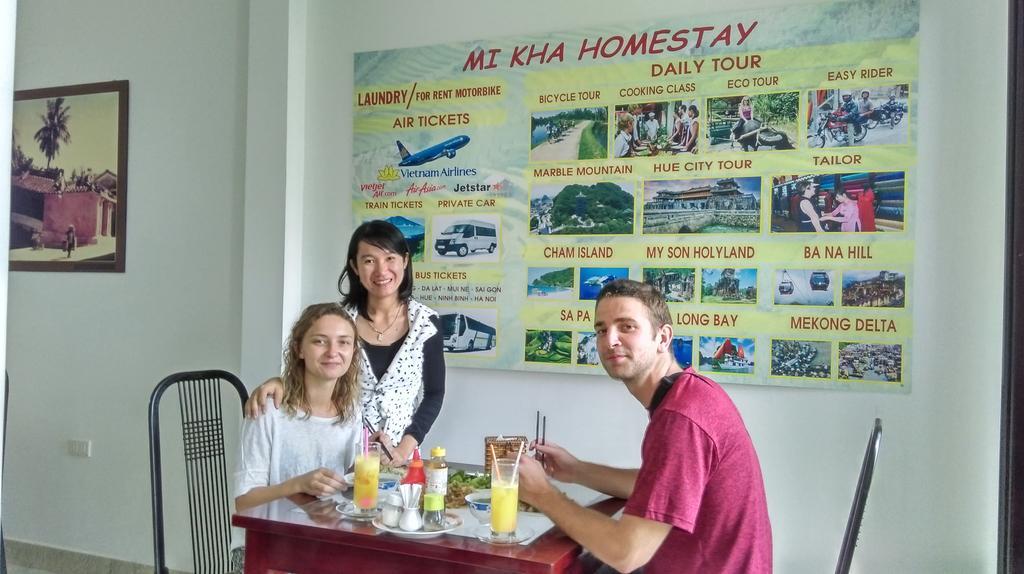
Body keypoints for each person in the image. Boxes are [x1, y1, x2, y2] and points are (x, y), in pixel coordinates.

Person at [517, 280, 772, 573]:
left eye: (626, 327)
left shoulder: (682, 418)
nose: (610, 340)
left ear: (663, 338)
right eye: (602, 329)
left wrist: (543, 494)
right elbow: (659, 486)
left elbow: (627, 553)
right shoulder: (689, 393)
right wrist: (575, 470)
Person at [246, 220, 446, 464]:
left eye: (390, 258)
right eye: (369, 260)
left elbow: (434, 393)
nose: (381, 271)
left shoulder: (426, 323)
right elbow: (313, 373)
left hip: (401, 459)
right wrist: (279, 381)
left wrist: (405, 447)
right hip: (339, 451)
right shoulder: (339, 322)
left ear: (405, 261)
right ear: (355, 266)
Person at [234, 303, 361, 512]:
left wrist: (364, 467)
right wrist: (298, 485)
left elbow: (342, 492)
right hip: (273, 538)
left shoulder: (351, 410)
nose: (333, 352)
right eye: (320, 341)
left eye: (343, 342)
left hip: (329, 536)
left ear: (353, 351)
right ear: (298, 348)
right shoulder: (269, 408)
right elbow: (244, 502)